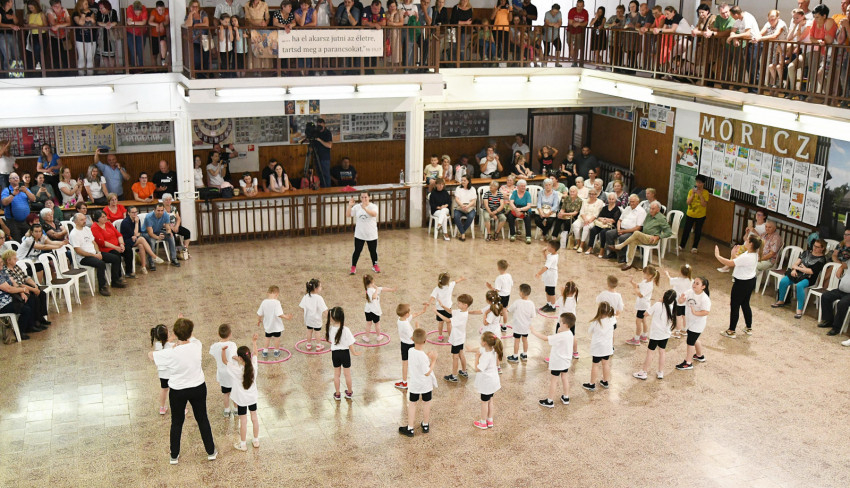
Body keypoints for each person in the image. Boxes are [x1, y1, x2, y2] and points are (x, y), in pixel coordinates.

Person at [149, 317, 218, 465]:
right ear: (191, 332)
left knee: (176, 422)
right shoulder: (197, 345)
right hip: (198, 387)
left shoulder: (171, 352)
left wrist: (170, 345)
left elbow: (151, 355)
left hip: (178, 390)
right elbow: (191, 337)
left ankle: (174, 455)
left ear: (174, 333)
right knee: (202, 419)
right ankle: (211, 451)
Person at [770, 239, 827, 320]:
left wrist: (799, 268)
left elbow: (811, 271)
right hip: (797, 273)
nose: (814, 248)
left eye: (817, 247)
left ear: (822, 248)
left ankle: (799, 309)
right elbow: (795, 264)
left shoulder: (821, 259)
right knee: (783, 281)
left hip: (809, 278)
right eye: (814, 246)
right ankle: (781, 300)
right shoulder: (806, 252)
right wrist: (794, 269)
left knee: (800, 286)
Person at [70, 212, 123, 296]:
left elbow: (94, 243)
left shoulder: (87, 229)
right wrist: (94, 255)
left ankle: (115, 280)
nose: (84, 221)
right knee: (100, 263)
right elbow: (78, 251)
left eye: (85, 219)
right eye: (81, 220)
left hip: (95, 253)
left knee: (115, 258)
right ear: (76, 222)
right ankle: (102, 287)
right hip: (83, 258)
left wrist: (98, 252)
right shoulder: (74, 234)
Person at [223, 333, 260, 451]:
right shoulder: (253, 366)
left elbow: (225, 361)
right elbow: (255, 354)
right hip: (252, 398)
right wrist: (254, 341)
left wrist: (223, 351)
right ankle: (256, 440)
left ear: (240, 358)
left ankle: (243, 444)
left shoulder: (237, 370)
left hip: (242, 400)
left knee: (243, 421)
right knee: (254, 418)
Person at [399, 328, 437, 437]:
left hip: (415, 385)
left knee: (412, 404)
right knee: (426, 403)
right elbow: (427, 372)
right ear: (425, 341)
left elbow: (418, 359)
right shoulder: (423, 356)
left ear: (412, 339)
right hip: (425, 385)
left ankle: (410, 428)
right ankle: (425, 424)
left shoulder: (410, 351)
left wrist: (426, 356)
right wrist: (433, 360)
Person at [612, 201, 672, 271]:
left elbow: (669, 232)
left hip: (652, 239)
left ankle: (620, 246)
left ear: (658, 210)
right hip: (644, 236)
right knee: (633, 241)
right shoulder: (649, 215)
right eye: (650, 208)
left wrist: (658, 237)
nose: (651, 210)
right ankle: (629, 263)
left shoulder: (661, 218)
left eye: (653, 209)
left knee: (636, 233)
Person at [531, 312, 574, 407]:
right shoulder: (570, 333)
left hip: (558, 362)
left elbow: (545, 338)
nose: (559, 323)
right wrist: (559, 330)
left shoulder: (561, 336)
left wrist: (534, 332)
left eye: (560, 322)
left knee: (554, 381)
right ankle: (566, 397)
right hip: (566, 362)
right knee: (564, 378)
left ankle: (550, 401)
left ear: (565, 324)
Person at [632, 289, 677, 380]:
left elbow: (645, 313)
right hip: (665, 334)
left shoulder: (658, 305)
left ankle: (644, 372)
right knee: (662, 352)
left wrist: (659, 302)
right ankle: (660, 372)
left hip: (655, 334)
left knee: (650, 352)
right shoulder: (672, 308)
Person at [0, 252, 40, 341]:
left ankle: (31, 325)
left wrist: (21, 292)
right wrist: (22, 290)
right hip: (2, 304)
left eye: (1, 262)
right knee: (26, 309)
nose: (1, 264)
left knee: (29, 300)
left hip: (10, 298)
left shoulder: (2, 271)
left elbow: (13, 282)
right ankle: (19, 332)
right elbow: (8, 289)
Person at [675, 277, 710, 371]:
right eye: (694, 282)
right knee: (694, 339)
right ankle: (699, 355)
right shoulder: (690, 292)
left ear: (703, 287)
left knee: (690, 341)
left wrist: (695, 313)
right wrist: (681, 300)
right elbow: (680, 301)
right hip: (690, 322)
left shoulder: (705, 298)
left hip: (698, 324)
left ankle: (688, 362)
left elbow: (706, 312)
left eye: (697, 283)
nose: (694, 284)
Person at [441, 294, 479, 383]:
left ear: (465, 305)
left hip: (457, 339)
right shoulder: (461, 311)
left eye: (459, 303)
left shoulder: (462, 315)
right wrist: (442, 306)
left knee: (455, 357)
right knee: (461, 353)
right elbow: (451, 311)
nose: (457, 304)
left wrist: (436, 312)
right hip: (460, 337)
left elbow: (448, 320)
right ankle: (464, 371)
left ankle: (453, 376)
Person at [326, 307, 361, 400]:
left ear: (332, 318)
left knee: (336, 375)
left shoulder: (330, 329)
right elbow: (350, 344)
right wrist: (354, 353)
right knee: (347, 374)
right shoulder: (346, 330)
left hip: (335, 354)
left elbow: (330, 340)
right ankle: (349, 392)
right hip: (345, 354)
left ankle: (337, 394)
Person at [91, 209, 134, 280]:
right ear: (97, 219)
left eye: (105, 216)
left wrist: (121, 244)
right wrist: (116, 248)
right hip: (106, 248)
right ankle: (118, 276)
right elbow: (102, 242)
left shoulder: (108, 224)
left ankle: (129, 272)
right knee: (116, 254)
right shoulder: (94, 227)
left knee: (128, 250)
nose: (105, 218)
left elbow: (118, 235)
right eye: (103, 217)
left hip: (117, 245)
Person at [583, 302, 615, 392]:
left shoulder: (595, 322)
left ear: (599, 311)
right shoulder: (612, 320)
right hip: (607, 347)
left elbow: (589, 331)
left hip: (597, 347)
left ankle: (592, 384)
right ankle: (605, 381)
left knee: (595, 365)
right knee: (606, 364)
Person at [395, 302, 428, 389]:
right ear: (406, 314)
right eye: (409, 312)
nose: (410, 313)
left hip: (403, 344)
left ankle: (404, 382)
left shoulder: (400, 319)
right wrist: (417, 327)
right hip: (410, 345)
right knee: (415, 363)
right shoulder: (406, 325)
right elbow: (415, 338)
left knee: (405, 364)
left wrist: (422, 311)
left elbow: (413, 315)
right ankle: (421, 379)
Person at [473, 331, 502, 430]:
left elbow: (477, 369)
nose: (480, 341)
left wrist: (476, 358)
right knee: (490, 400)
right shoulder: (494, 350)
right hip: (493, 381)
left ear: (484, 343)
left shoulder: (486, 356)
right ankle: (490, 420)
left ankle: (482, 422)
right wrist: (470, 349)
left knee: (484, 402)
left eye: (481, 339)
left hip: (487, 383)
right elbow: (481, 350)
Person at [425, 272, 466, 342]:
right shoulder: (450, 285)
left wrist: (429, 303)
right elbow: (456, 281)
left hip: (439, 309)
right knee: (449, 323)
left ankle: (440, 336)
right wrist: (461, 279)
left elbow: (432, 297)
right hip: (447, 309)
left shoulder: (437, 289)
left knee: (440, 323)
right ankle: (450, 337)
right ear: (448, 281)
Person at [120, 206, 161, 274]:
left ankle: (143, 267)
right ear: (129, 213)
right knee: (141, 239)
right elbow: (134, 234)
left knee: (141, 245)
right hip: (126, 241)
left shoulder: (137, 219)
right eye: (133, 212)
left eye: (136, 212)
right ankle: (154, 256)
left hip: (134, 239)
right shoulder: (125, 222)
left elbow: (139, 232)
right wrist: (136, 224)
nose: (135, 214)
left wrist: (136, 234)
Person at [208, 323, 237, 417]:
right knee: (234, 392)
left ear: (218, 334)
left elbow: (212, 352)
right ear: (230, 334)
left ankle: (226, 410)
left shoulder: (214, 346)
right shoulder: (232, 345)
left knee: (226, 393)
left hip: (222, 373)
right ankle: (236, 410)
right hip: (232, 372)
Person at [626, 266, 659, 345]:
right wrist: (632, 282)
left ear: (650, 275)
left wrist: (635, 289)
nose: (643, 274)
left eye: (645, 273)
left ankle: (636, 339)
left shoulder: (649, 285)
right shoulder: (645, 281)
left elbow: (641, 295)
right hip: (644, 305)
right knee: (644, 320)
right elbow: (638, 285)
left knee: (638, 322)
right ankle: (644, 336)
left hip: (642, 306)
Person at [348, 191, 379, 274]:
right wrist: (350, 206)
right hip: (359, 234)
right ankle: (353, 267)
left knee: (373, 251)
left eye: (365, 197)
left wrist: (365, 208)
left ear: (369, 197)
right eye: (362, 197)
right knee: (357, 251)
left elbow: (374, 214)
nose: (364, 199)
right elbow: (348, 215)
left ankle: (375, 265)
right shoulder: (357, 207)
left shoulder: (373, 206)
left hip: (371, 234)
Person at [505, 283, 535, 362]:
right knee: (525, 340)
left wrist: (503, 311)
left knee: (517, 340)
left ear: (521, 293)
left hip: (518, 326)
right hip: (526, 326)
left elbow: (509, 310)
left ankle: (515, 356)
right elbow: (533, 315)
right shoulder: (531, 304)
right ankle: (524, 355)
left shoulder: (517, 302)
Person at [1, 173, 35, 242]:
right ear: (9, 180)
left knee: (30, 240)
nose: (16, 179)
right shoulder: (6, 190)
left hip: (26, 221)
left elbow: (33, 199)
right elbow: (4, 202)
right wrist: (13, 194)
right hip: (13, 221)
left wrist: (26, 191)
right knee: (17, 242)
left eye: (17, 177)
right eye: (13, 178)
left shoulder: (25, 189)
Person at [143, 203, 179, 268]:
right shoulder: (149, 217)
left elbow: (168, 227)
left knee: (171, 237)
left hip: (157, 231)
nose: (160, 212)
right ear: (154, 210)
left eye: (162, 210)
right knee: (152, 241)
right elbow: (150, 233)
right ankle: (151, 262)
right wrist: (158, 237)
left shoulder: (166, 215)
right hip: (146, 233)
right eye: (158, 210)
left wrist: (169, 232)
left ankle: (174, 258)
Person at [679, 175, 709, 254]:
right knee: (686, 230)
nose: (698, 184)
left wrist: (700, 195)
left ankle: (694, 247)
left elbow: (704, 204)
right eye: (697, 182)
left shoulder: (705, 193)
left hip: (700, 215)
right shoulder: (690, 191)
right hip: (690, 214)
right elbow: (688, 202)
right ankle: (682, 245)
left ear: (703, 183)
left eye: (700, 183)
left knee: (698, 231)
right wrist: (693, 194)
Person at [361, 274, 394, 343]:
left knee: (369, 323)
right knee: (376, 323)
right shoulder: (370, 290)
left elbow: (382, 288)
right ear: (372, 281)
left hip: (368, 310)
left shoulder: (371, 289)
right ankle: (378, 336)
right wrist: (376, 289)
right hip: (374, 310)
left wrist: (391, 290)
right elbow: (374, 297)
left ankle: (367, 337)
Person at [586, 193, 621, 258]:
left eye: (612, 199)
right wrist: (603, 220)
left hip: (610, 226)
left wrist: (606, 220)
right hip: (602, 224)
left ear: (615, 200)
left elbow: (614, 220)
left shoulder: (617, 209)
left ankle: (602, 249)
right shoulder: (604, 208)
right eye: (610, 199)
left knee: (603, 232)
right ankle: (590, 247)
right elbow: (599, 217)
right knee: (593, 230)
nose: (611, 200)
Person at [299, 278, 328, 352]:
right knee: (317, 332)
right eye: (320, 286)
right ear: (316, 289)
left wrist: (307, 312)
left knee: (309, 331)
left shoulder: (306, 296)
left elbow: (302, 307)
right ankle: (318, 346)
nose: (321, 288)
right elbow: (324, 309)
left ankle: (308, 344)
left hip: (308, 318)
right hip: (316, 319)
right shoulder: (319, 298)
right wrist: (329, 316)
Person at [151, 324, 174, 415]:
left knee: (164, 389)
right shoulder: (171, 345)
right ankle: (180, 408)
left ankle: (162, 408)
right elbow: (170, 343)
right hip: (172, 372)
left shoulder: (157, 345)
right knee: (174, 390)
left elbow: (166, 342)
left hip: (162, 373)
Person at [666, 265, 693, 338]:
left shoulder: (677, 280)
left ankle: (677, 332)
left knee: (678, 317)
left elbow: (670, 280)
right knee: (685, 317)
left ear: (681, 272)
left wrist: (667, 274)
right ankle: (684, 330)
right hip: (686, 302)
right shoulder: (691, 281)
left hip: (678, 302)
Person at [71, 0, 97, 76]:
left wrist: (91, 19)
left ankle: (90, 75)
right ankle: (81, 75)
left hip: (91, 38)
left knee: (90, 57)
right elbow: (80, 23)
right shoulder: (76, 13)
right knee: (82, 57)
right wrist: (83, 15)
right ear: (81, 4)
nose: (87, 6)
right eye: (85, 4)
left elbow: (94, 23)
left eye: (87, 4)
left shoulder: (91, 12)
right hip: (80, 39)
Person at [507, 179, 533, 244]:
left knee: (527, 218)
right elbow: (511, 202)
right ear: (518, 186)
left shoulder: (527, 194)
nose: (523, 187)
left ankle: (528, 236)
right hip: (516, 208)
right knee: (510, 216)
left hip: (525, 209)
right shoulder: (514, 193)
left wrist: (521, 209)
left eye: (524, 186)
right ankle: (512, 234)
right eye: (522, 186)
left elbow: (529, 206)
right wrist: (516, 209)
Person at [453, 175, 476, 242]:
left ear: (468, 181)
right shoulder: (458, 188)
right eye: (462, 180)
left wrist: (468, 206)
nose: (462, 182)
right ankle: (463, 233)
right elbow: (457, 199)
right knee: (456, 216)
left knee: (471, 216)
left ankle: (462, 231)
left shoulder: (472, 189)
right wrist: (462, 205)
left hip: (470, 207)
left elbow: (473, 201)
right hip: (460, 206)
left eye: (464, 180)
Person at [125, 1, 148, 69]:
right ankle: (133, 68)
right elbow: (129, 21)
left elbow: (143, 22)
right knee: (133, 52)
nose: (138, 14)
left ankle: (141, 68)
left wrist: (133, 23)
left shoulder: (144, 8)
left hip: (141, 33)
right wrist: (134, 22)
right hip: (130, 32)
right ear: (133, 9)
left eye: (139, 13)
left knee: (140, 52)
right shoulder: (130, 8)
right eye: (136, 12)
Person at [566, 0, 588, 67]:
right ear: (576, 5)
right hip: (570, 31)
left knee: (577, 47)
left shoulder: (585, 12)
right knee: (570, 44)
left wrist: (579, 24)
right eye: (578, 6)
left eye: (581, 6)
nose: (579, 8)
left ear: (583, 6)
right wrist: (576, 23)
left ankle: (575, 61)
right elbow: (570, 22)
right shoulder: (572, 10)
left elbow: (586, 23)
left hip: (579, 32)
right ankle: (573, 56)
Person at [313, 118, 333, 188]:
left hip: (324, 158)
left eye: (320, 125)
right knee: (319, 175)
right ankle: (322, 188)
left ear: (324, 124)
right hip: (317, 157)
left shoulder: (327, 133)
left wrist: (319, 140)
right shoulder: (316, 132)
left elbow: (329, 145)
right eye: (318, 125)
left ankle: (327, 189)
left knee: (326, 175)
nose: (319, 127)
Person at [148, 1, 170, 67]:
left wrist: (162, 23)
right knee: (154, 54)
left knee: (163, 44)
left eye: (163, 9)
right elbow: (150, 22)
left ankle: (163, 61)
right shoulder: (153, 12)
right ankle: (155, 70)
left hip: (163, 34)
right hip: (154, 35)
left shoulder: (166, 11)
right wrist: (157, 24)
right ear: (156, 9)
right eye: (159, 10)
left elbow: (167, 21)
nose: (161, 11)